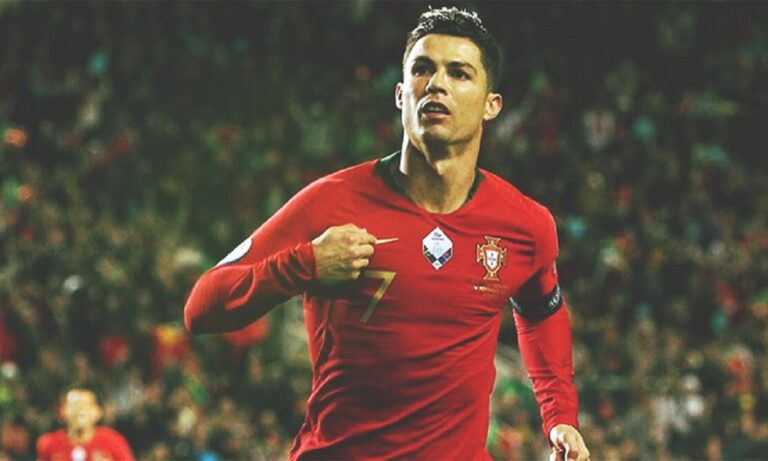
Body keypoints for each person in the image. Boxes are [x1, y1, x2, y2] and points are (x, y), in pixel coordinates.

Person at [184, 6, 590, 461]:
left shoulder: (525, 225)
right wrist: (306, 264)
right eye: (422, 69)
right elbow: (201, 307)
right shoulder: (331, 202)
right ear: (401, 95)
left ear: (491, 105)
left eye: (459, 73)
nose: (436, 84)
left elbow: (541, 311)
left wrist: (560, 415)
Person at [36, 386, 135, 461]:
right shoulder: (49, 444)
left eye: (86, 405)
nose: (80, 410)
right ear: (62, 411)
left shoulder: (114, 442)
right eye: (74, 405)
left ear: (98, 412)